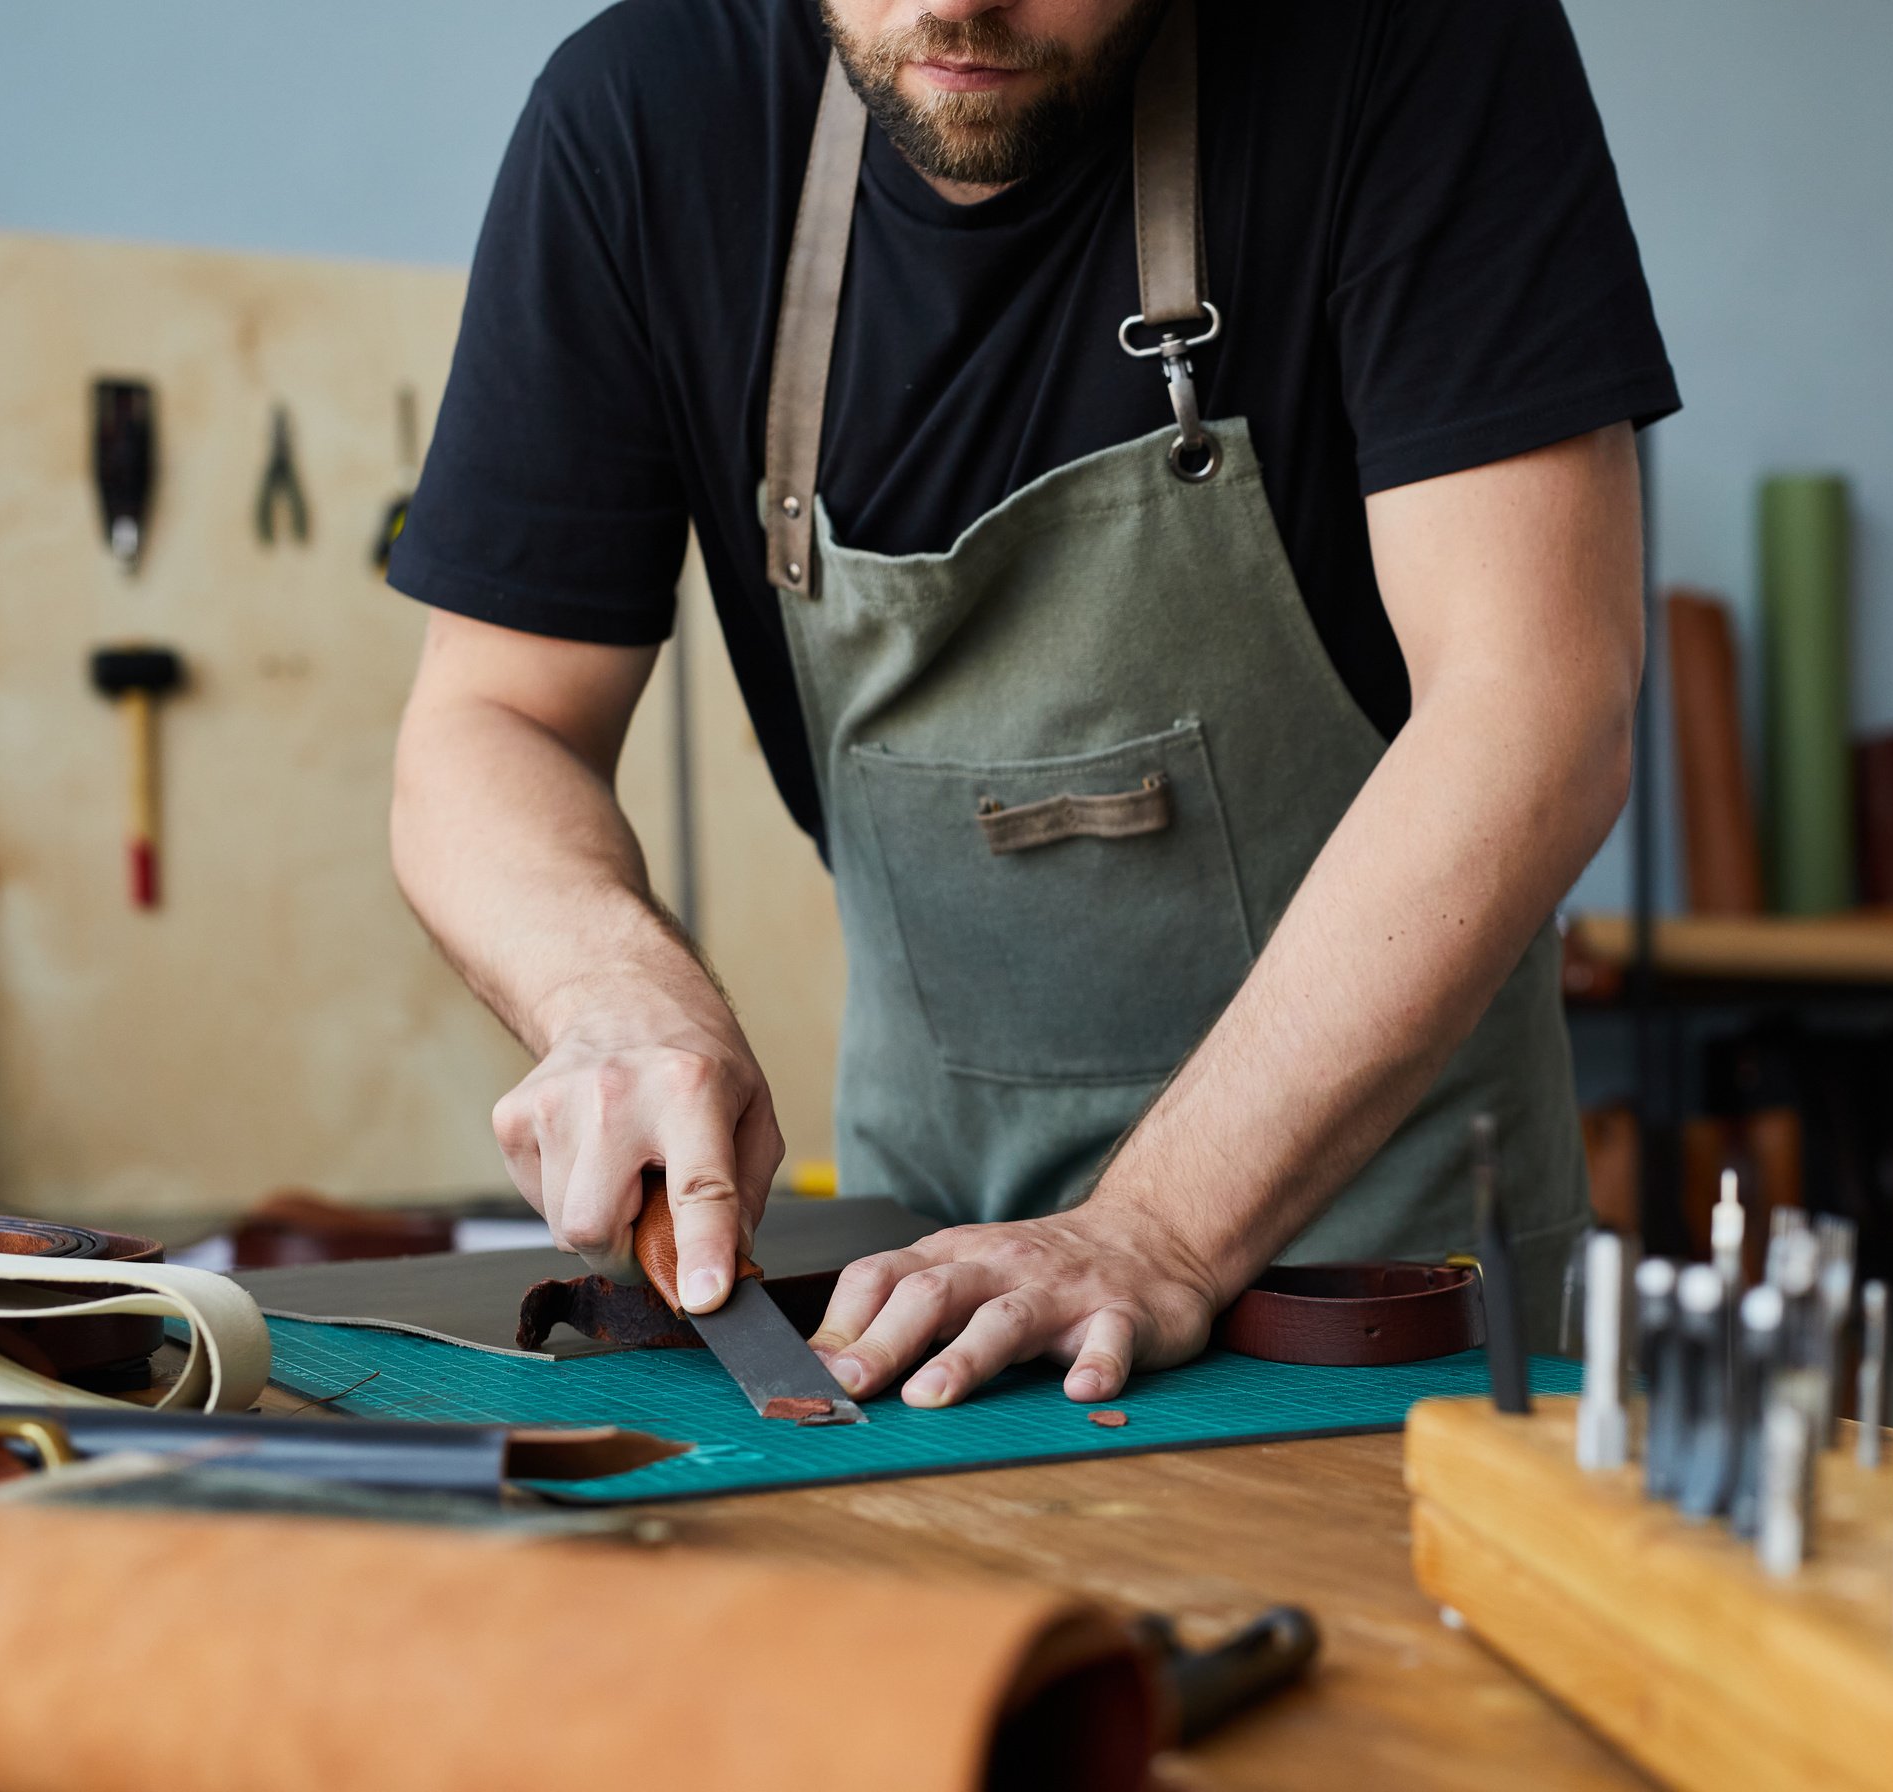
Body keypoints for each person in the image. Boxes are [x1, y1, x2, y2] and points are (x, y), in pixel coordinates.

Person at [387, 0, 1675, 1410]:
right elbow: (494, 722)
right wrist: (613, 992)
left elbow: (1534, 707)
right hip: (921, 1309)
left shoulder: (1416, 41)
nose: (958, 1)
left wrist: (1158, 1228)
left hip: (1379, 1302)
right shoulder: (639, 120)